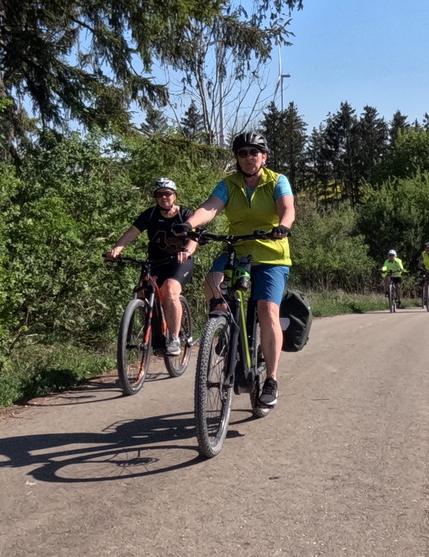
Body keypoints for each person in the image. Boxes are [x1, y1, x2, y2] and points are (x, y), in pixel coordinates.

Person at [182, 131, 293, 408]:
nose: (248, 157)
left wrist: (284, 226)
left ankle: (272, 379)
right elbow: (210, 207)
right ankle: (223, 329)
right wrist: (190, 224)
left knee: (268, 310)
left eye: (253, 152)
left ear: (263, 157)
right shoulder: (228, 184)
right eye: (242, 153)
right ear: (237, 158)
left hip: (271, 256)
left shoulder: (278, 180)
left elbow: (288, 208)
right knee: (212, 282)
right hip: (238, 251)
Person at [106, 178, 198, 355]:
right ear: (155, 197)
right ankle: (156, 336)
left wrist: (186, 251)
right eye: (159, 194)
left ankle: (174, 338)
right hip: (155, 261)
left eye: (168, 194)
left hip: (179, 261)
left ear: (175, 196)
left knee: (170, 290)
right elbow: (131, 233)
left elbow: (194, 239)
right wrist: (117, 248)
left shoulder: (185, 214)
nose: (164, 197)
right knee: (143, 292)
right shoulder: (150, 214)